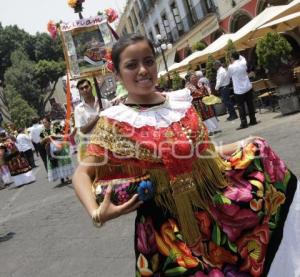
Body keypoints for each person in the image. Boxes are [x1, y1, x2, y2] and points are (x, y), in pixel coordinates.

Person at [72, 34, 299, 277]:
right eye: (131, 65)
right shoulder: (114, 122)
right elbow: (82, 173)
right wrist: (97, 213)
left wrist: (242, 144)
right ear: (116, 74)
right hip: (165, 232)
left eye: (148, 61)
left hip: (212, 211)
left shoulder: (180, 104)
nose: (142, 70)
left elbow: (203, 153)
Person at [74, 79, 111, 160]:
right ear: (79, 91)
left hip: (109, 144)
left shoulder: (105, 102)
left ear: (91, 87)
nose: (85, 90)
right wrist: (98, 117)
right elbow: (83, 130)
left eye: (86, 87)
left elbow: (114, 121)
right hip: (93, 147)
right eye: (81, 88)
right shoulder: (78, 109)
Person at [228, 52, 259, 130]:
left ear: (232, 58)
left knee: (240, 107)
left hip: (239, 90)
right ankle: (253, 120)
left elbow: (229, 76)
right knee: (250, 104)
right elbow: (242, 58)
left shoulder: (231, 67)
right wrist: (238, 55)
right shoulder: (243, 62)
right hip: (247, 86)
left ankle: (244, 123)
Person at [185, 71, 221, 135]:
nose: (195, 79)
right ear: (189, 79)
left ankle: (216, 129)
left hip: (205, 101)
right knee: (202, 117)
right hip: (196, 103)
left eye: (195, 77)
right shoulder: (188, 87)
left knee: (210, 114)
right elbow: (188, 96)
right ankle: (209, 131)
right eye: (193, 78)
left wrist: (209, 97)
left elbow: (206, 90)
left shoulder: (201, 83)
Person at [40, 117, 73, 185]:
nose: (44, 124)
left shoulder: (56, 127)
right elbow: (41, 142)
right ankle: (61, 178)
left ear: (49, 122)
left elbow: (63, 135)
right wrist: (45, 139)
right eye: (43, 123)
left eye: (45, 122)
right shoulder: (42, 132)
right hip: (50, 150)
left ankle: (67, 177)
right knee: (55, 163)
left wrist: (54, 136)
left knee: (62, 162)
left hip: (59, 147)